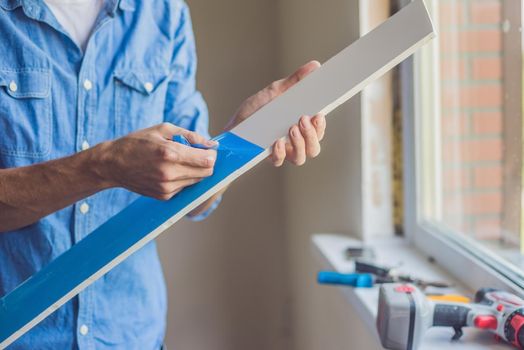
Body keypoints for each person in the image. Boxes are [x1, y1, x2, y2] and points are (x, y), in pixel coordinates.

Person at [0, 0, 326, 348]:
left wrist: (244, 136)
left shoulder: (164, 14)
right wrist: (103, 165)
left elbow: (193, 197)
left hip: (132, 335)